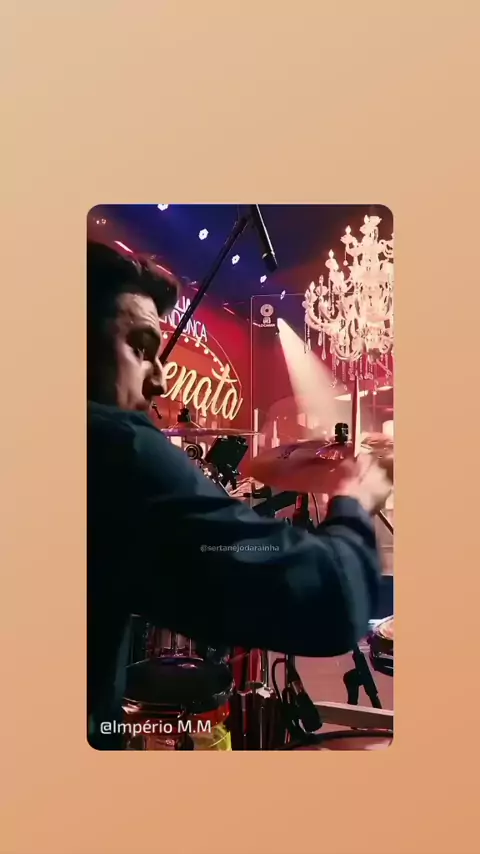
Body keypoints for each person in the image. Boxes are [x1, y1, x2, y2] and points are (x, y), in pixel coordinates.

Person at [87, 241, 393, 748]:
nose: (159, 379)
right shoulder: (111, 447)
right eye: (140, 347)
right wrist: (354, 497)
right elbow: (330, 601)